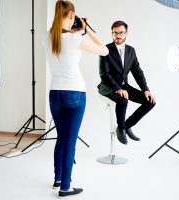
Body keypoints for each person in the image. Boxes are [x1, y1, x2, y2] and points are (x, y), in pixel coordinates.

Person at [44, 0, 108, 198]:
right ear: (72, 15)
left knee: (61, 138)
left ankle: (58, 178)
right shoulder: (75, 39)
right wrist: (86, 28)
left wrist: (75, 30)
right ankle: (66, 187)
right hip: (74, 94)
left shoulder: (47, 37)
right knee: (70, 141)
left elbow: (62, 35)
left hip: (54, 93)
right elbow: (105, 50)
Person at [98, 20, 156, 145]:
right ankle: (122, 128)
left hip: (124, 86)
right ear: (111, 33)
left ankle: (125, 126)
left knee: (150, 102)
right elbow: (104, 74)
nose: (118, 36)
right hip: (108, 86)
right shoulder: (105, 49)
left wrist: (146, 90)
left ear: (126, 33)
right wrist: (118, 89)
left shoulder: (131, 51)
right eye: (115, 33)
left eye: (121, 33)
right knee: (123, 99)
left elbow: (137, 72)